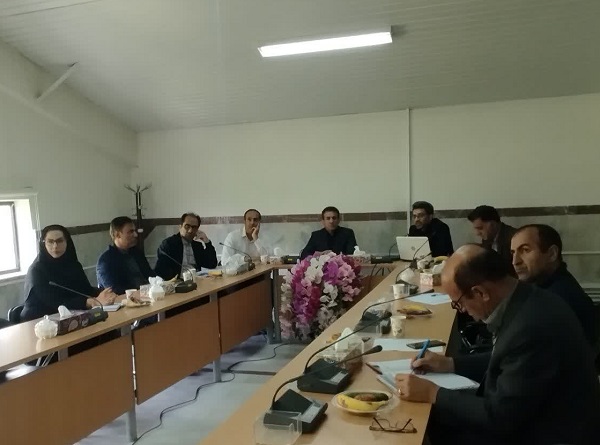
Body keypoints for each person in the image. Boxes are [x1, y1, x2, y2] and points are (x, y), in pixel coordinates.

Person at [395, 245, 600, 445]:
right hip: (531, 414)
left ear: (480, 293)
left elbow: (500, 417)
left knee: (426, 425)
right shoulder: (527, 298)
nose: (462, 310)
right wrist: (449, 363)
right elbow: (506, 358)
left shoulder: (531, 327)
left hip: (546, 433)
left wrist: (432, 393)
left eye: (458, 303)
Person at [511, 224, 598, 347]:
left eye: (525, 250)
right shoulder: (548, 287)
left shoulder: (557, 299)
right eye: (513, 253)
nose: (515, 261)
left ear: (552, 254)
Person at [22, 225, 116, 321]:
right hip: (38, 321)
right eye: (50, 242)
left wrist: (105, 293)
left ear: (67, 242)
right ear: (43, 244)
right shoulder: (36, 270)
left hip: (71, 316)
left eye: (60, 241)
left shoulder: (73, 265)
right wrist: (89, 302)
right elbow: (55, 302)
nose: (55, 246)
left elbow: (85, 290)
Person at [97, 216, 154, 295]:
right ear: (117, 235)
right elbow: (114, 290)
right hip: (126, 299)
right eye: (131, 232)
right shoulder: (106, 261)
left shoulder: (137, 253)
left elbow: (151, 276)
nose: (135, 234)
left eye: (134, 231)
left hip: (148, 295)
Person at [155, 212, 217, 280]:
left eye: (194, 227)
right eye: (187, 226)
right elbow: (160, 270)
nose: (190, 231)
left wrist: (207, 242)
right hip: (176, 282)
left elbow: (212, 264)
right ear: (180, 227)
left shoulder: (197, 246)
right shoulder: (169, 244)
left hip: (196, 281)